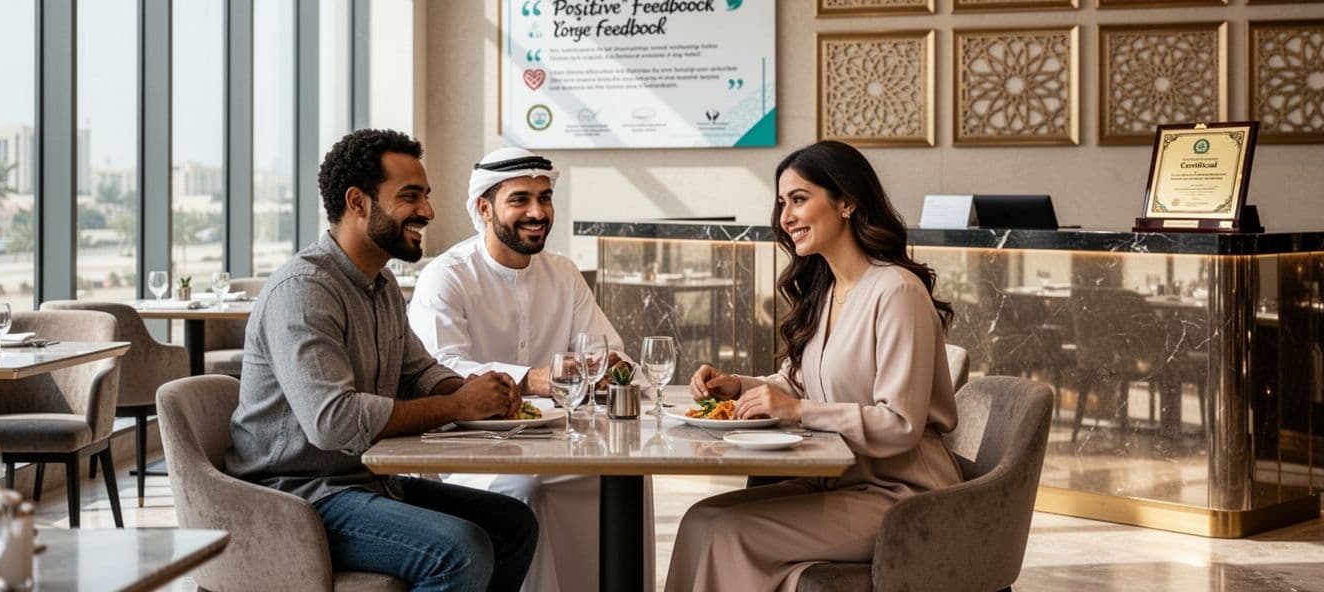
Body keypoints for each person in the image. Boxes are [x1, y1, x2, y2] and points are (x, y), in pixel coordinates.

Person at [227, 129, 538, 592]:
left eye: (426, 196)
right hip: (295, 498)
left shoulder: (381, 284)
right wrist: (458, 407)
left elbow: (417, 371)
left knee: (514, 523)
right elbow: (333, 420)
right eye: (410, 197)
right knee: (460, 552)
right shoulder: (304, 291)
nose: (428, 212)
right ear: (357, 202)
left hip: (366, 481)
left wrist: (474, 393)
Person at [665, 140, 962, 592]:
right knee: (701, 518)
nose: (784, 218)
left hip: (903, 497)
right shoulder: (826, 292)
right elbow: (799, 384)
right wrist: (738, 386)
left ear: (846, 202)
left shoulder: (896, 292)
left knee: (728, 530)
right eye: (782, 203)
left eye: (799, 200)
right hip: (837, 483)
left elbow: (901, 423)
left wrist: (795, 411)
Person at [408, 146, 651, 592]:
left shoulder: (563, 273)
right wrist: (529, 378)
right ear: (484, 208)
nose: (537, 212)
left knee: (626, 479)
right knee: (527, 487)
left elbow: (610, 351)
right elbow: (439, 365)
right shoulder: (447, 276)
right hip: (471, 445)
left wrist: (612, 367)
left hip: (562, 440)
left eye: (545, 198)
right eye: (520, 200)